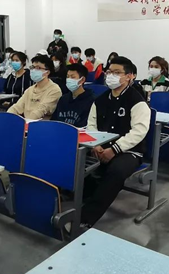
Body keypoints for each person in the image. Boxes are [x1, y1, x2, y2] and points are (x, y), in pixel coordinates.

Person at [84, 56, 150, 227]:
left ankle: (86, 218)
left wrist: (114, 149)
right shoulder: (100, 100)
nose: (111, 76)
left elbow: (139, 131)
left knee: (116, 171)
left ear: (129, 76)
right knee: (77, 160)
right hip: (100, 147)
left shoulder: (137, 101)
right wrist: (96, 144)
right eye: (109, 72)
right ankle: (75, 195)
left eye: (117, 72)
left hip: (129, 151)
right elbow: (91, 125)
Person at [8, 55, 62, 120]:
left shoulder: (54, 90)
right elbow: (17, 107)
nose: (33, 70)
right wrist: (7, 116)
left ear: (47, 72)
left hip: (41, 124)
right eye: (32, 67)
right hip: (26, 122)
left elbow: (41, 110)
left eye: (38, 68)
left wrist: (26, 122)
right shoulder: (30, 90)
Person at [51, 63, 95, 127]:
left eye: (72, 77)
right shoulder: (63, 99)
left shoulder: (90, 101)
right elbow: (54, 121)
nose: (69, 80)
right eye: (67, 77)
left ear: (82, 80)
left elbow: (85, 125)